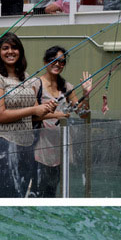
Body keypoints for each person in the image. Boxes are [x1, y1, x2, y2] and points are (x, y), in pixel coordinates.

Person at [0, 33, 56, 197]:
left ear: (20, 51)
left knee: (21, 193)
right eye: (5, 48)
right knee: (5, 194)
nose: (10, 52)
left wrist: (51, 109)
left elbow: (36, 114)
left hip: (26, 145)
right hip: (2, 144)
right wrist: (33, 110)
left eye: (14, 47)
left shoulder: (28, 77)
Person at [32, 46, 92, 197]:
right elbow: (32, 116)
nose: (58, 64)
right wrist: (59, 114)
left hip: (61, 149)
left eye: (62, 62)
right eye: (53, 61)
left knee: (51, 192)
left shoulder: (67, 87)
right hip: (40, 148)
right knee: (36, 192)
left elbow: (83, 114)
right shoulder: (36, 84)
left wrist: (86, 94)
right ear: (45, 61)